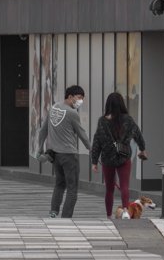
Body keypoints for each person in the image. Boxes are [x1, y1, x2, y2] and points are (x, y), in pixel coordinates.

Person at [89, 91, 149, 218]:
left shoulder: (102, 121)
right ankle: (126, 212)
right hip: (124, 157)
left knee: (109, 189)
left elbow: (97, 142)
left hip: (107, 159)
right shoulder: (128, 120)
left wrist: (94, 161)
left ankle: (109, 215)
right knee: (125, 185)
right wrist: (142, 149)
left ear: (108, 105)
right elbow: (138, 135)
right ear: (122, 104)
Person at [37, 85, 88, 219]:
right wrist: (92, 149)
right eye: (79, 98)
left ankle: (53, 211)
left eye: (82, 99)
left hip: (56, 155)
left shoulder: (54, 108)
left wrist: (38, 149)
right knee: (72, 189)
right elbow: (82, 134)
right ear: (70, 96)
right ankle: (66, 217)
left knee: (59, 184)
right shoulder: (72, 113)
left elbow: (43, 130)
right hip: (69, 155)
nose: (80, 101)